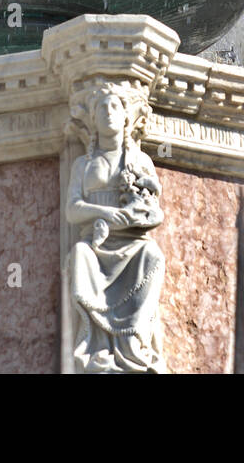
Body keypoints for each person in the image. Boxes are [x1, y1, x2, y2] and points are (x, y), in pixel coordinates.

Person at [65, 82, 167, 373]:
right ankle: (96, 347)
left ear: (126, 116)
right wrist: (106, 213)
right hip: (97, 242)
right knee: (81, 255)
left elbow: (153, 211)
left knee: (153, 256)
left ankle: (133, 344)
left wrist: (133, 215)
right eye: (101, 108)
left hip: (132, 241)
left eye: (115, 107)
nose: (108, 112)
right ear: (93, 119)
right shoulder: (83, 165)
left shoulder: (139, 161)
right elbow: (72, 210)